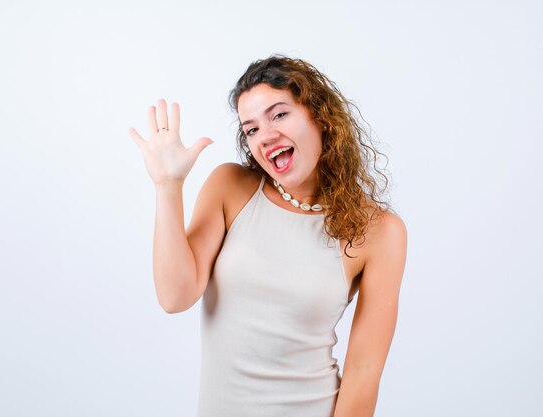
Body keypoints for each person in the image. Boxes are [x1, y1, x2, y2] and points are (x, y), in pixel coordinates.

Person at [129, 55, 407, 417]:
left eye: (278, 115)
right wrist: (168, 185)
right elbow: (174, 296)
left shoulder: (380, 231)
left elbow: (364, 372)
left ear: (320, 117)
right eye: (251, 129)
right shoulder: (231, 187)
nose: (266, 135)